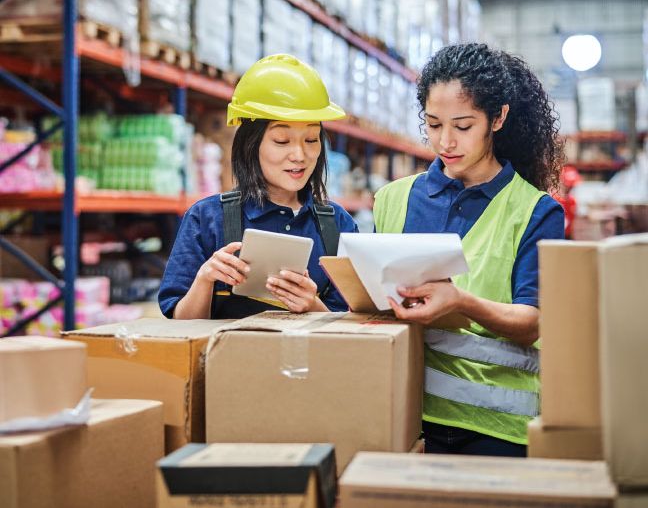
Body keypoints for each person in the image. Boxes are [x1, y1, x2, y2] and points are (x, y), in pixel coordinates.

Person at [373, 43, 565, 457]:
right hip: (405, 413)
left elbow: (533, 322)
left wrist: (460, 301)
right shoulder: (392, 199)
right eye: (433, 123)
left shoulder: (535, 211)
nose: (445, 142)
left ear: (498, 118)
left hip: (497, 430)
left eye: (462, 126)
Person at [159, 54, 358, 320]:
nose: (300, 155)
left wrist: (311, 304)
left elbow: (354, 330)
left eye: (311, 139)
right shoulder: (207, 219)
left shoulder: (339, 226)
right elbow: (178, 325)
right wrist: (206, 279)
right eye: (281, 140)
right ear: (251, 145)